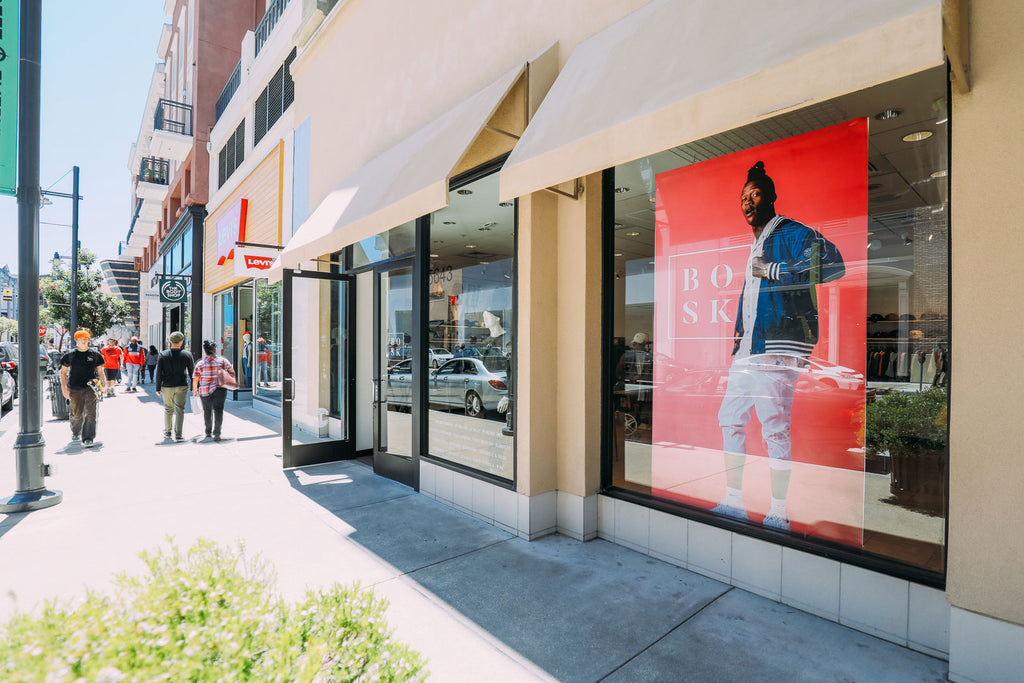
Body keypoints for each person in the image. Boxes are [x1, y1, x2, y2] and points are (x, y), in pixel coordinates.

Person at [712, 160, 845, 531]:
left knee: (774, 426)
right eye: (743, 197)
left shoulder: (792, 233)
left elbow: (834, 266)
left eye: (755, 194)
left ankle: (779, 510)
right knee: (730, 420)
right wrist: (738, 338)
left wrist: (773, 270)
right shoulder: (757, 243)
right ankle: (735, 502)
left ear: (771, 197)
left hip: (777, 345)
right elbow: (750, 298)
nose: (748, 202)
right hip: (750, 349)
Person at [59, 329, 105, 447]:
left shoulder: (95, 355)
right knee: (77, 414)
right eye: (80, 339)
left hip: (91, 388)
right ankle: (75, 431)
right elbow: (63, 373)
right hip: (74, 388)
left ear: (89, 340)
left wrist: (104, 386)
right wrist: (64, 389)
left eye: (85, 339)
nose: (83, 341)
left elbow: (100, 371)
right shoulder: (69, 356)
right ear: (76, 341)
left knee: (90, 413)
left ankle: (88, 438)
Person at [192, 340, 236, 441]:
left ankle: (208, 432)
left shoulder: (200, 363)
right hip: (220, 389)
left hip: (205, 390)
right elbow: (232, 371)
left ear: (205, 351)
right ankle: (217, 433)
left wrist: (195, 390)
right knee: (218, 410)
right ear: (215, 349)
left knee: (207, 411)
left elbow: (195, 378)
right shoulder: (223, 361)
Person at [155, 331, 195, 441]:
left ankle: (168, 432)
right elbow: (192, 372)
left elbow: (159, 373)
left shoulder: (163, 354)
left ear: (170, 341)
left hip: (167, 386)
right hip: (182, 385)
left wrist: (158, 388)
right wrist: (194, 387)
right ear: (182, 341)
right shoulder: (187, 354)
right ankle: (179, 434)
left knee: (168, 409)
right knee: (180, 410)